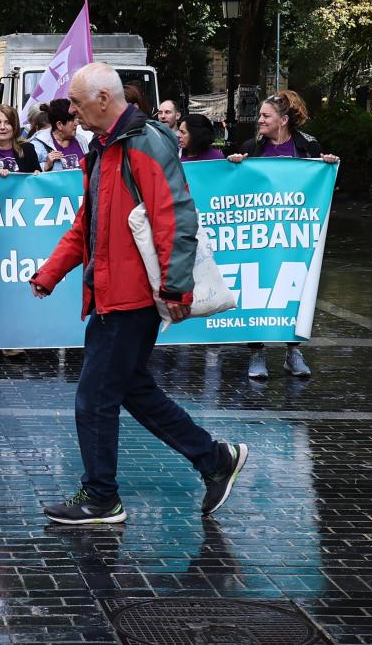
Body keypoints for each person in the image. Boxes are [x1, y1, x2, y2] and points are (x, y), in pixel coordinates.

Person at [30, 62, 249, 526]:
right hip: (115, 296)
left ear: (104, 100)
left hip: (129, 301)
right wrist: (50, 273)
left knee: (94, 399)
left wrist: (175, 287)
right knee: (132, 390)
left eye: (77, 102)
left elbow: (176, 217)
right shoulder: (106, 148)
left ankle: (101, 497)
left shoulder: (141, 143)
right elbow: (86, 225)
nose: (70, 110)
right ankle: (214, 459)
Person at [228, 91, 338, 380]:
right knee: (257, 289)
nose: (260, 120)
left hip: (293, 236)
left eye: (266, 116)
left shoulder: (308, 147)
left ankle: (293, 352)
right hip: (260, 235)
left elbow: (319, 187)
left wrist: (326, 165)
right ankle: (257, 352)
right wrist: (234, 166)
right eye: (261, 116)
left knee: (296, 291)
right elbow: (237, 190)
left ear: (283, 120)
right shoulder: (252, 148)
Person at [35, 98, 86, 172]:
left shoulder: (82, 141)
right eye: (72, 120)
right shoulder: (38, 145)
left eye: (76, 119)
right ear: (59, 125)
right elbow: (27, 175)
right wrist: (45, 166)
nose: (76, 123)